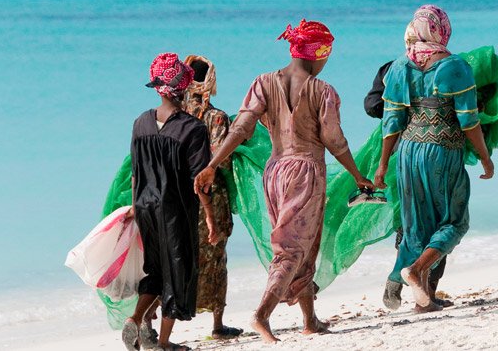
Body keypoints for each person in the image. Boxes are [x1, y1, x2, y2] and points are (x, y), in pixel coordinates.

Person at [194, 19, 373, 343]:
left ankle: (310, 319)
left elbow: (241, 129)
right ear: (318, 52)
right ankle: (262, 314)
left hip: (274, 173)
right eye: (326, 55)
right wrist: (358, 176)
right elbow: (334, 141)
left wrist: (212, 164)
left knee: (303, 245)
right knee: (292, 250)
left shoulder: (263, 83)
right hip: (305, 172)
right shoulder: (322, 91)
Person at [374, 5, 494, 313]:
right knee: (454, 221)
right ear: (442, 29)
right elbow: (469, 121)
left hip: (408, 152)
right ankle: (413, 272)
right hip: (443, 151)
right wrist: (485, 157)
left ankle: (421, 296)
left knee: (416, 226)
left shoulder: (400, 66)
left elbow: (392, 122)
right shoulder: (456, 67)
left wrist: (383, 165)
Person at [122, 52, 218, 351]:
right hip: (174, 210)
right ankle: (162, 342)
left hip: (144, 207)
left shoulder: (141, 123)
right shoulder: (193, 129)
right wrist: (211, 219)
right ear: (185, 87)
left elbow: (135, 173)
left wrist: (133, 207)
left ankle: (136, 319)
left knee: (155, 269)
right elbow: (200, 182)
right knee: (179, 270)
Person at [364, 60, 454, 309]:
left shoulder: (392, 68)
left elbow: (371, 106)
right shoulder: (447, 67)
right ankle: (425, 293)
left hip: (400, 153)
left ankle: (400, 282)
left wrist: (399, 110)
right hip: (438, 153)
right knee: (442, 221)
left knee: (410, 221)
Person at [181, 54, 243, 340]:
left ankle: (154, 322)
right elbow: (221, 160)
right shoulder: (216, 117)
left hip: (177, 195)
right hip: (210, 196)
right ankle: (217, 325)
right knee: (215, 257)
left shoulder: (173, 114)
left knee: (176, 255)